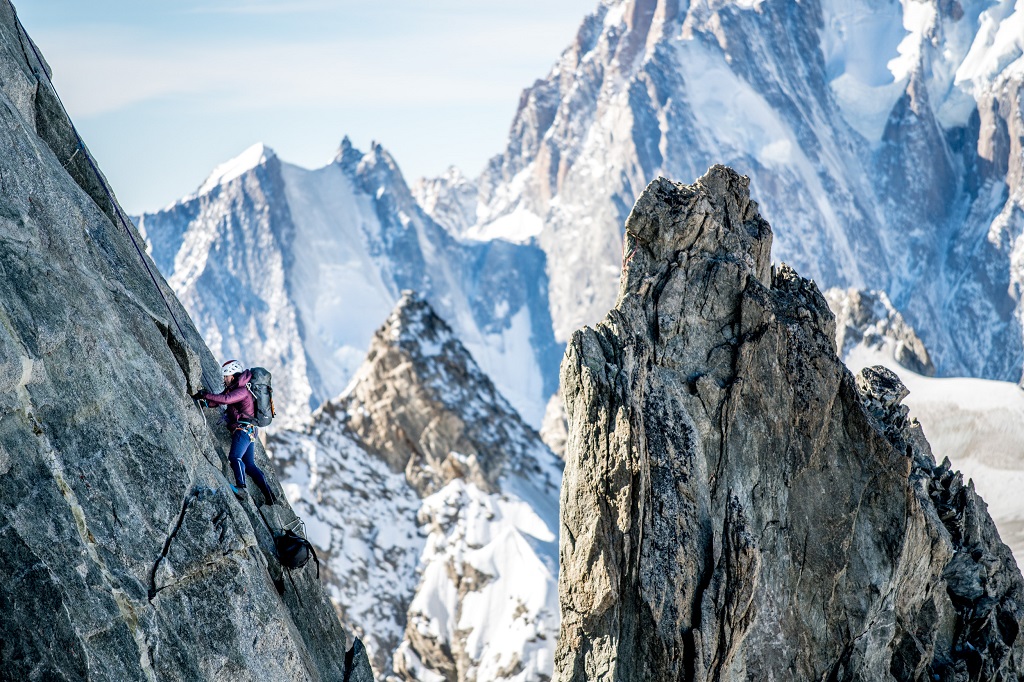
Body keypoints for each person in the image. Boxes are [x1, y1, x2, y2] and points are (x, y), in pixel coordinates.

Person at [194, 360, 276, 505]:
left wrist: (205, 395)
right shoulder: (235, 388)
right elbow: (221, 399)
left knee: (234, 457)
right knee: (249, 465)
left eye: (226, 375)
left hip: (243, 430)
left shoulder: (242, 390)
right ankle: (270, 495)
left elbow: (226, 399)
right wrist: (205, 402)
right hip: (250, 430)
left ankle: (241, 488)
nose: (224, 378)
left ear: (233, 375)